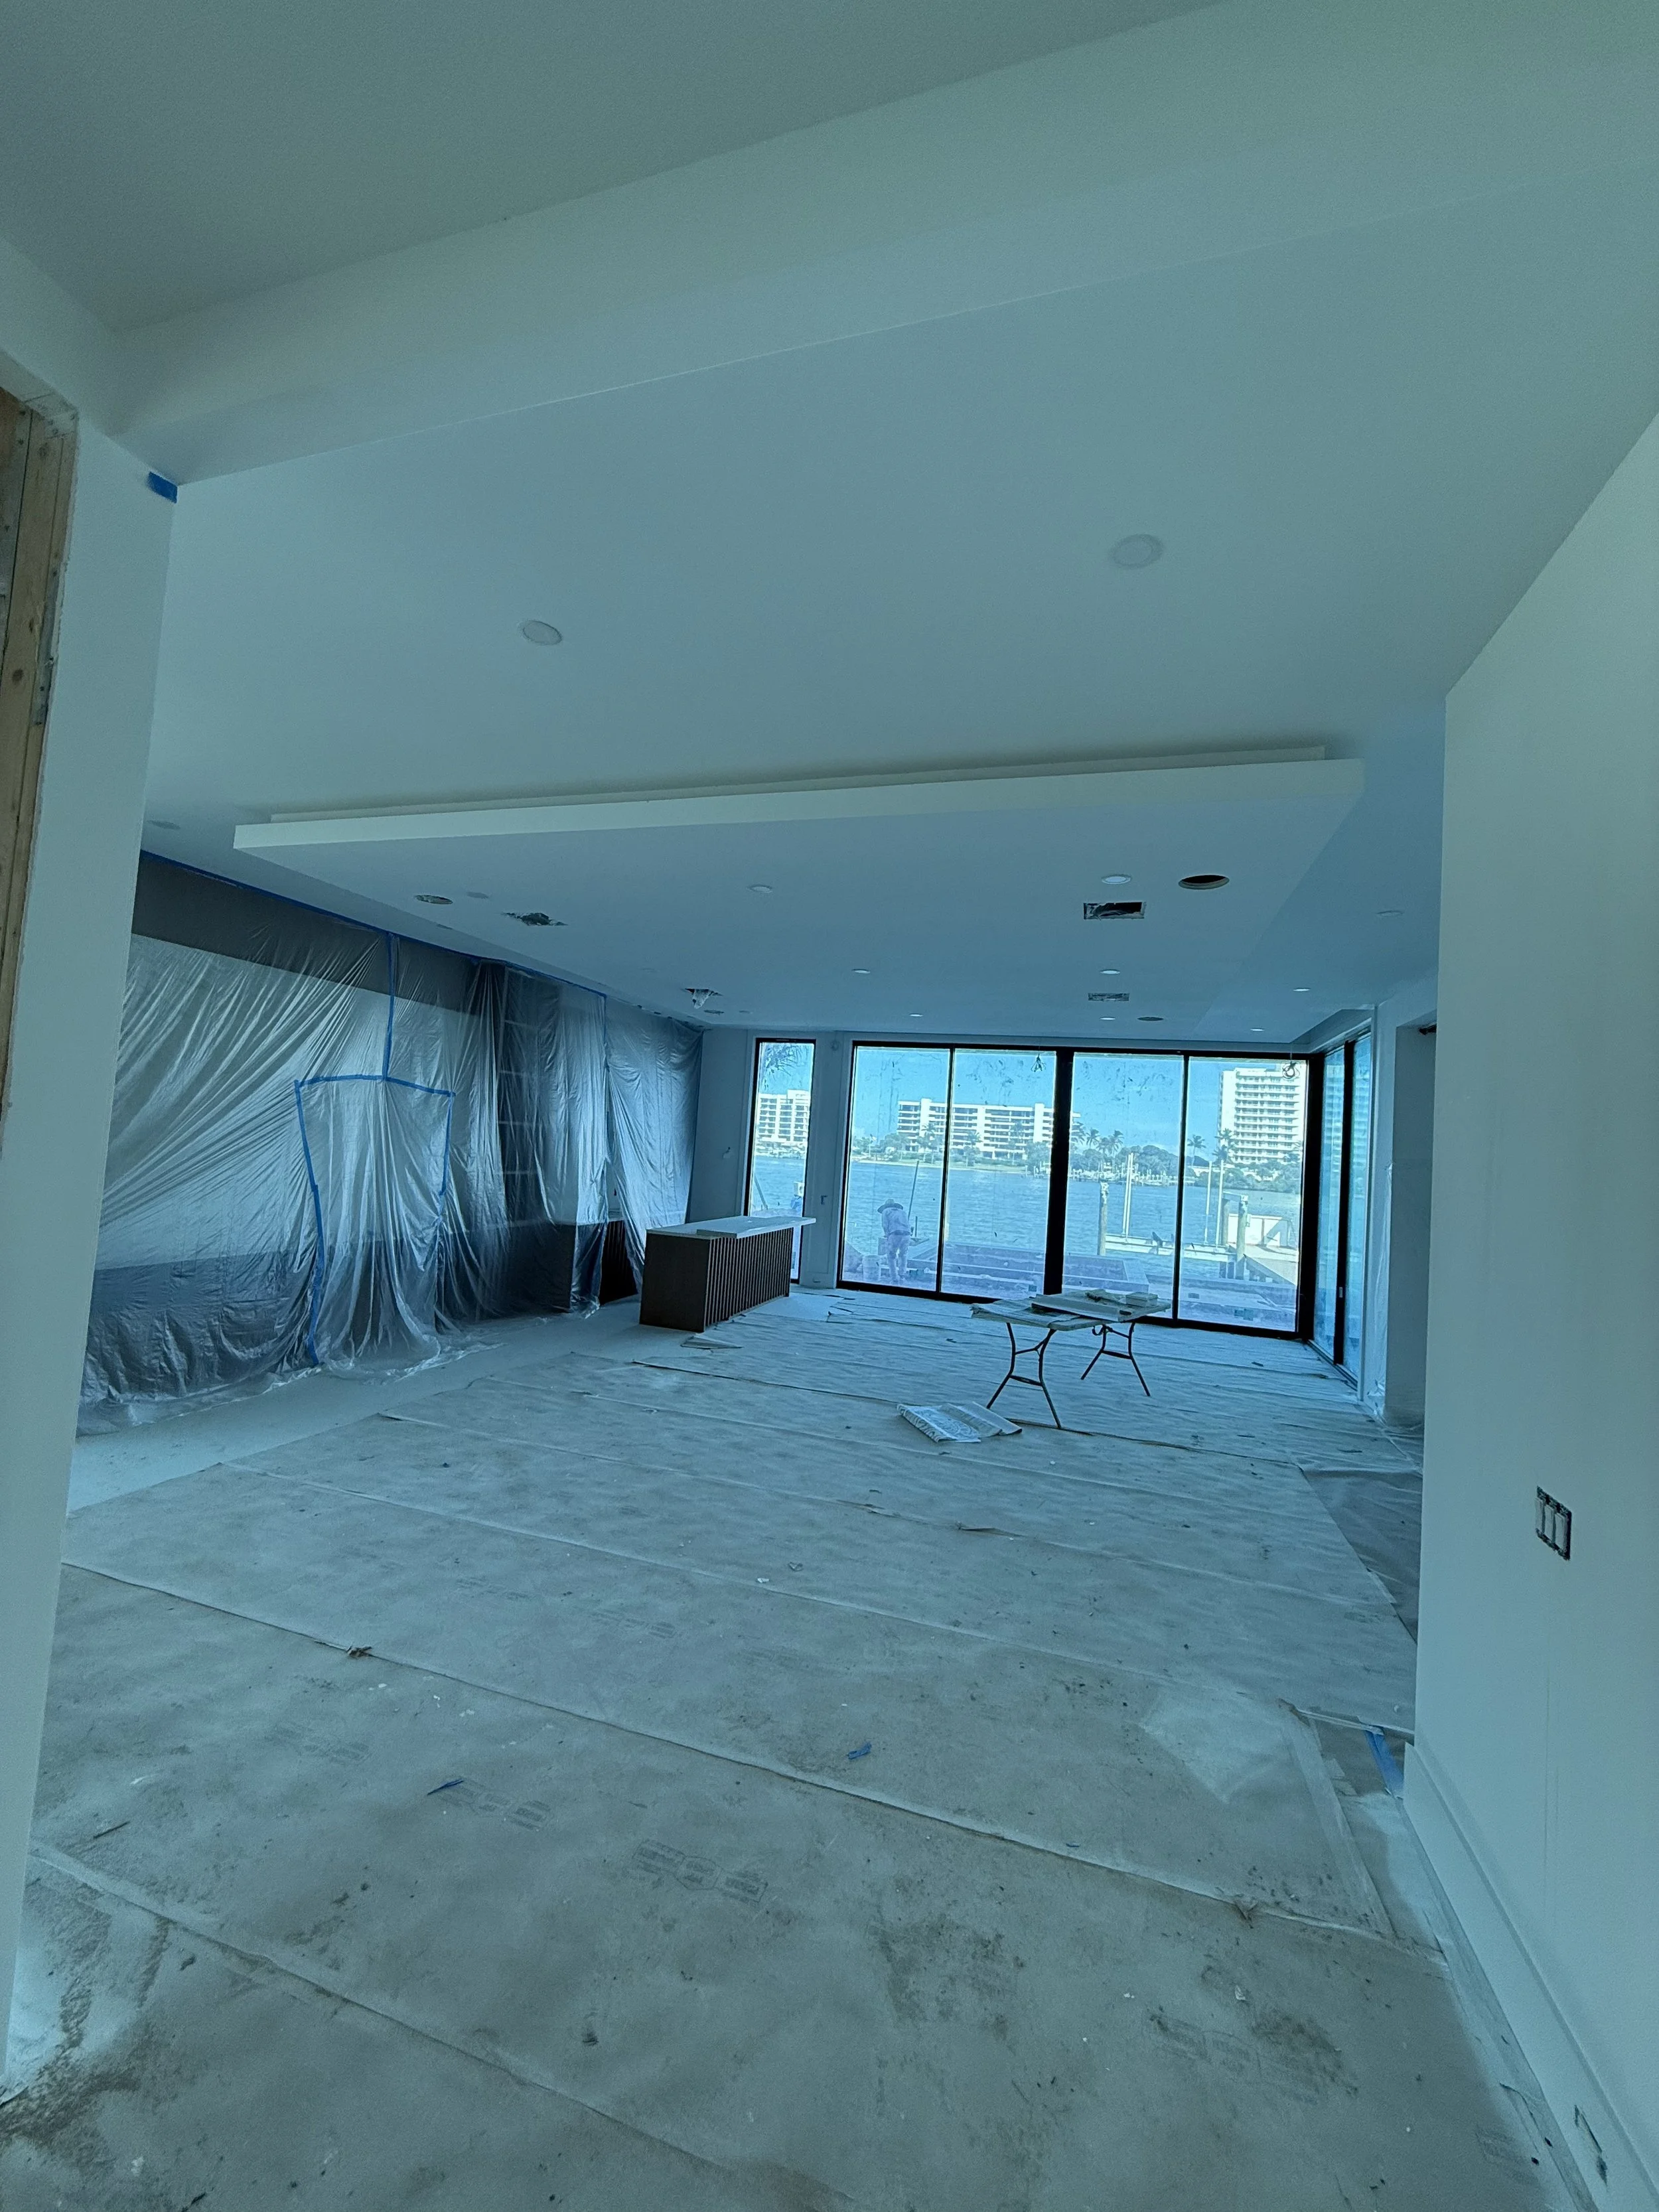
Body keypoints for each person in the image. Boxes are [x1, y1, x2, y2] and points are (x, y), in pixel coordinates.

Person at [877, 1199, 912, 1284]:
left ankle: (894, 1278)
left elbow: (885, 1225)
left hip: (895, 1234)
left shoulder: (886, 1211)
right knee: (903, 1255)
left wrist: (887, 1235)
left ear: (886, 1206)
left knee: (891, 1256)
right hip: (907, 1235)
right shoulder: (902, 1212)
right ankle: (902, 1276)